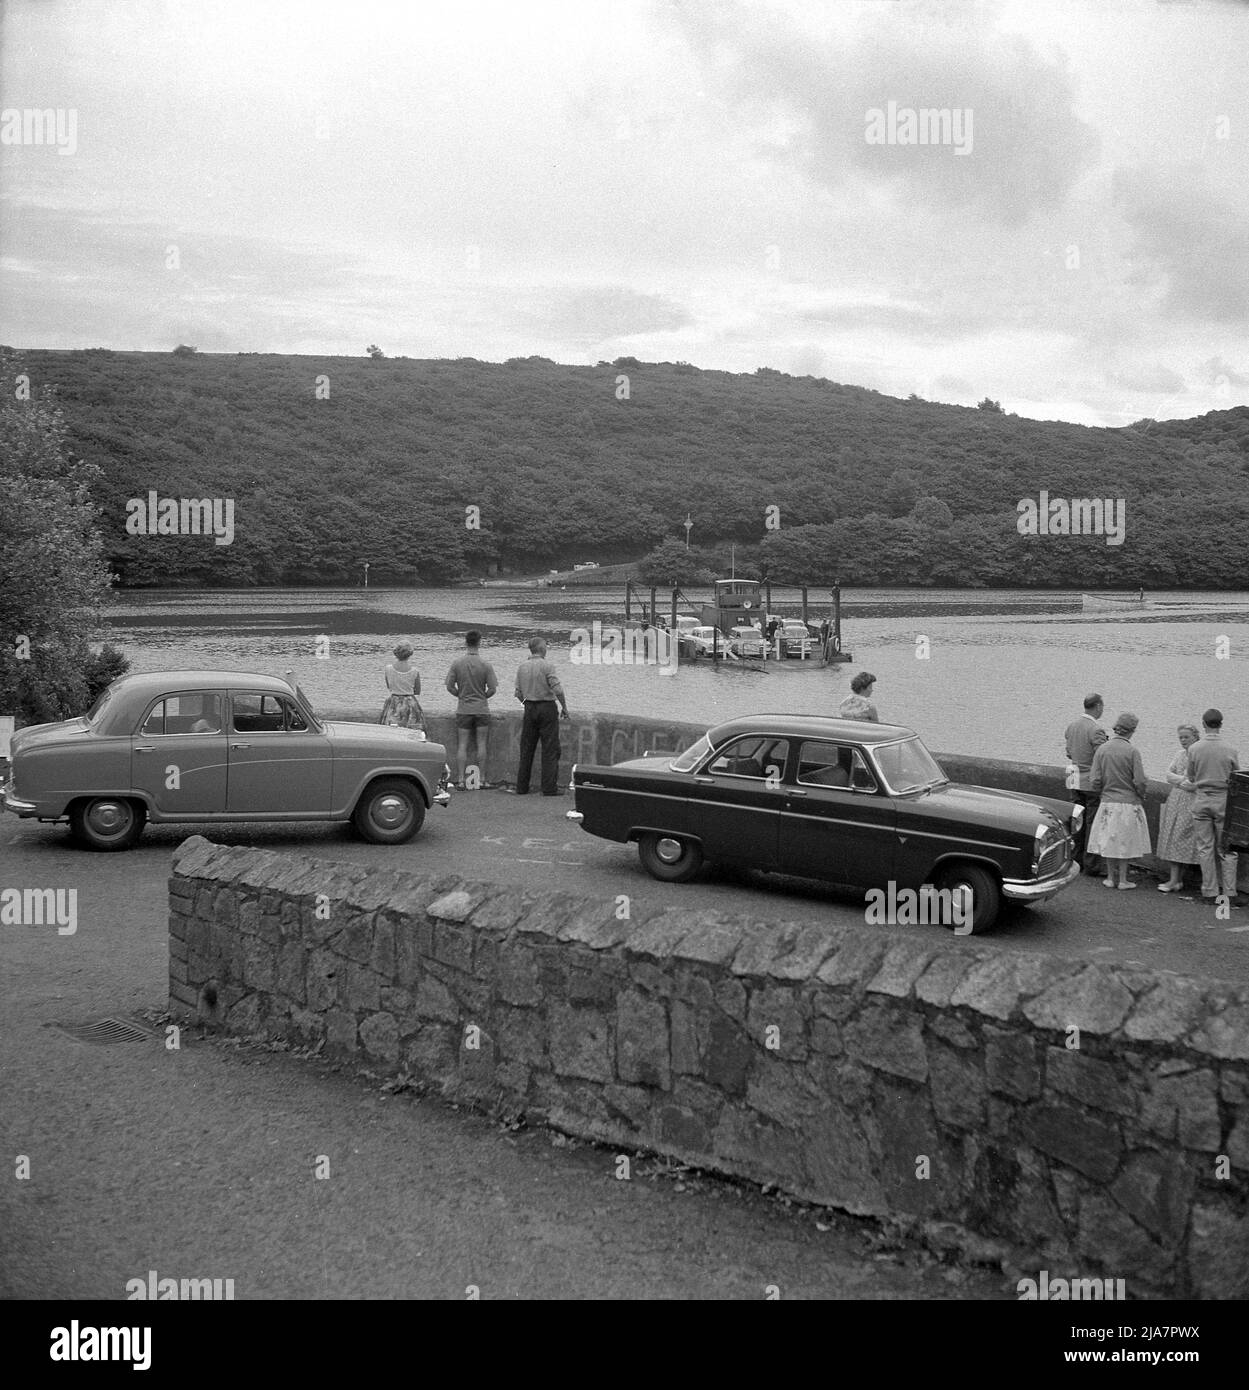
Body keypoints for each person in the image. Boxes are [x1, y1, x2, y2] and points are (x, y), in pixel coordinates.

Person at [1185, 707, 1245, 906]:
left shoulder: (1194, 749)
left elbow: (1191, 776)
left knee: (1205, 846)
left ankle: (1209, 891)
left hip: (1202, 798)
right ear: (1221, 724)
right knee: (1227, 847)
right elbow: (1236, 775)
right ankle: (1229, 892)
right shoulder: (1230, 749)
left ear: (1203, 724)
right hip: (1223, 800)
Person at [1086, 712, 1151, 890]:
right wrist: (1141, 794)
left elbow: (1095, 780)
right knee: (1125, 842)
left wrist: (1103, 790)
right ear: (1132, 731)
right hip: (1129, 803)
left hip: (1108, 802)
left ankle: (1109, 877)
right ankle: (1123, 880)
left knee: (1109, 840)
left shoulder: (1102, 749)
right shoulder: (1132, 751)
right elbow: (1140, 780)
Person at [514, 637, 570, 796]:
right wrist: (564, 707)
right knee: (550, 748)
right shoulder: (547, 666)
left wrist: (526, 703)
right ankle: (549, 787)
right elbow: (557, 690)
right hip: (546, 708)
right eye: (545, 646)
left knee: (526, 748)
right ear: (541, 649)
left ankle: (522, 787)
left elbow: (517, 693)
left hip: (530, 707)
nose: (546, 648)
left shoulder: (522, 667)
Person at [444, 630, 499, 789]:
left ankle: (461, 780)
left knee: (462, 745)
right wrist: (483, 697)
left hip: (463, 709)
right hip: (481, 709)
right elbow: (493, 689)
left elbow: (449, 686)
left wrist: (460, 695)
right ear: (479, 642)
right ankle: (482, 779)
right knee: (482, 744)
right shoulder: (485, 664)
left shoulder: (457, 663)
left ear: (465, 642)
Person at [1064, 693, 1108, 874]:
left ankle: (1075, 860)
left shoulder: (1072, 726)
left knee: (1077, 822)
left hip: (1074, 779)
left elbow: (1068, 753)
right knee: (1092, 823)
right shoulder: (1096, 729)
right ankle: (1092, 864)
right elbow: (1101, 757)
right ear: (1097, 706)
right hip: (1090, 781)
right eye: (1102, 707)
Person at [1156, 723, 1201, 891]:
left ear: (1195, 737)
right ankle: (1175, 880)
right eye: (1180, 737)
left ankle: (1176, 880)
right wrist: (1183, 780)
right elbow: (1168, 774)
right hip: (1175, 801)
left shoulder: (1197, 756)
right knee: (1172, 836)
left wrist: (1180, 781)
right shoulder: (1180, 754)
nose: (1183, 740)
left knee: (1181, 839)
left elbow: (1194, 784)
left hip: (1190, 802)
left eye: (1186, 737)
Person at [379, 643, 425, 731]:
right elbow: (417, 691)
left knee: (391, 730)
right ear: (409, 654)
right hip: (410, 704)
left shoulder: (388, 669)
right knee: (413, 731)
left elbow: (389, 687)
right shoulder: (414, 671)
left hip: (393, 702)